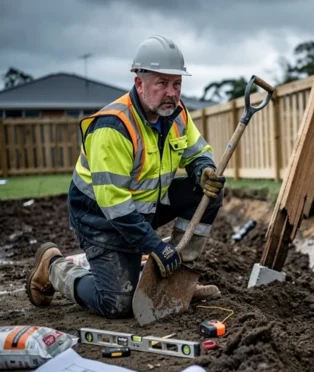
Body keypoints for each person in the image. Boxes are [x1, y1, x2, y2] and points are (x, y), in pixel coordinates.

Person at [24, 35, 225, 318]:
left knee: (208, 192)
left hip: (146, 207)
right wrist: (155, 247)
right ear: (139, 83)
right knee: (118, 303)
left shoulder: (177, 114)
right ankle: (54, 267)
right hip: (102, 220)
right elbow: (116, 207)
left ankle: (177, 275)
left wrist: (203, 169)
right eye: (162, 83)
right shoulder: (113, 127)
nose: (171, 92)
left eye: (177, 84)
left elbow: (196, 152)